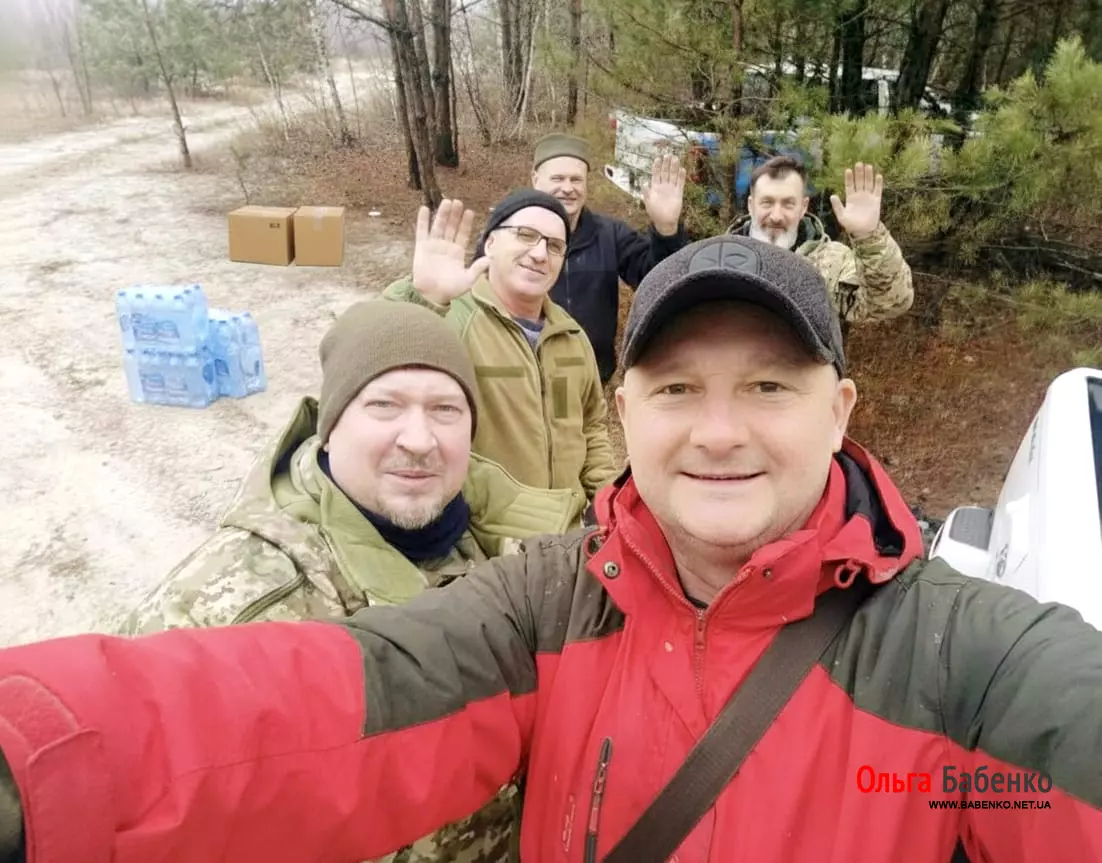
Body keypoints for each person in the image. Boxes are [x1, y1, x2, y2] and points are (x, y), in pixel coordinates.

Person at [2, 237, 1102, 863]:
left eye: (769, 384)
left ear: (840, 408)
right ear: (626, 410)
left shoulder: (970, 659)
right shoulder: (552, 601)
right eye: (677, 388)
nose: (719, 430)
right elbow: (325, 701)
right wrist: (37, 760)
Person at [123, 299, 586, 863]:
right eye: (384, 405)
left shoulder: (522, 550)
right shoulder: (225, 611)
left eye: (445, 409)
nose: (419, 439)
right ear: (330, 427)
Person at [384, 189, 620, 505]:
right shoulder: (450, 319)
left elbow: (590, 427)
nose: (540, 254)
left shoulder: (572, 336)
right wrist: (422, 298)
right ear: (491, 242)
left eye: (554, 246)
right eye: (526, 235)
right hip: (482, 529)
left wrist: (607, 499)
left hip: (569, 529)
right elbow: (377, 367)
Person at [531, 132, 689, 384]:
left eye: (576, 179)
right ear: (536, 180)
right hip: (527, 377)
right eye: (558, 178)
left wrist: (666, 229)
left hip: (592, 380)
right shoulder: (511, 235)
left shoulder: (609, 234)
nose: (568, 188)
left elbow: (658, 280)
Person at [728, 155, 914, 326]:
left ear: (803, 207)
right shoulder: (720, 259)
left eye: (788, 204)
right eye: (767, 202)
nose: (776, 216)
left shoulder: (834, 262)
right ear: (751, 205)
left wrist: (869, 237)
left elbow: (891, 303)